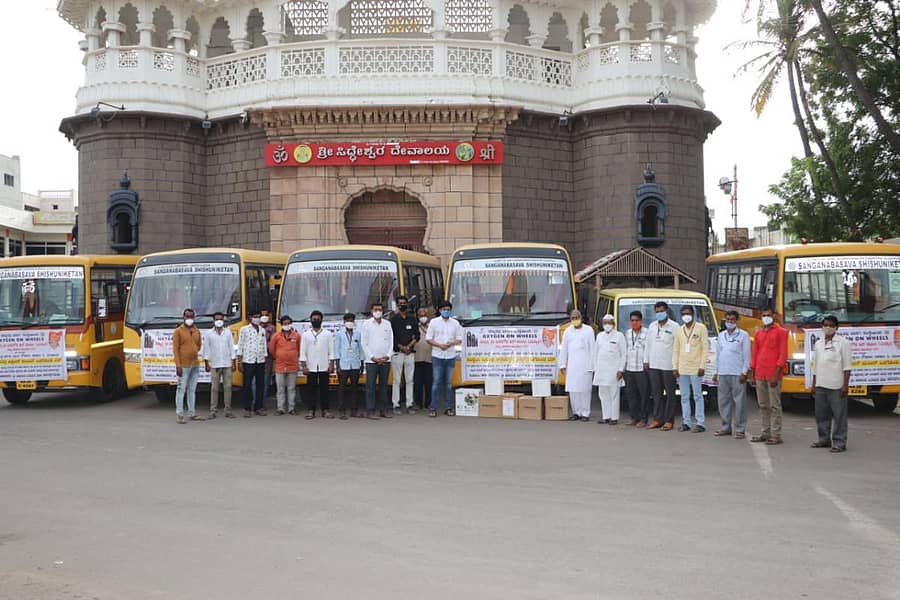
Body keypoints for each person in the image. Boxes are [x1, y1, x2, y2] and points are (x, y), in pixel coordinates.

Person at [810, 316, 853, 453]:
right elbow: (816, 366)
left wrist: (845, 385)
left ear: (836, 327)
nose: (827, 327)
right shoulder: (819, 343)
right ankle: (824, 439)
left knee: (839, 415)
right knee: (821, 415)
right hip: (821, 384)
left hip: (836, 385)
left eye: (831, 325)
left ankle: (839, 442)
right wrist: (814, 384)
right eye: (825, 325)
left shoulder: (843, 343)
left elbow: (847, 366)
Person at [749, 306, 788, 444]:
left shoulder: (781, 332)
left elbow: (783, 355)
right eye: (764, 315)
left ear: (774, 316)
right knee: (763, 405)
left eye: (768, 315)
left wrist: (776, 374)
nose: (766, 317)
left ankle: (776, 435)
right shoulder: (759, 333)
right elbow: (755, 354)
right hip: (760, 373)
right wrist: (753, 374)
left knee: (774, 406)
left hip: (773, 374)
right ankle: (765, 432)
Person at [713, 311, 751, 439]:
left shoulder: (743, 335)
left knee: (739, 402)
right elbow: (718, 355)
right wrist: (716, 371)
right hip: (723, 372)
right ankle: (725, 427)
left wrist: (744, 372)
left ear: (737, 320)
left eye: (732, 320)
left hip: (737, 373)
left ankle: (740, 429)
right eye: (728, 319)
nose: (730, 322)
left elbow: (747, 356)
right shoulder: (722, 335)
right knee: (723, 402)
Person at [672, 305, 710, 433]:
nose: (685, 316)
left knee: (698, 396)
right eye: (683, 314)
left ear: (693, 314)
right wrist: (675, 367)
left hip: (696, 368)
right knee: (684, 396)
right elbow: (676, 349)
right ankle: (686, 422)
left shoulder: (701, 328)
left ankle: (700, 423)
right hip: (682, 368)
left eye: (688, 313)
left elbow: (705, 348)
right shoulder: (679, 330)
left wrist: (702, 366)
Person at [427, 300, 463, 417]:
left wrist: (451, 343)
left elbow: (459, 338)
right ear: (439, 310)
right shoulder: (434, 322)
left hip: (451, 355)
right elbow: (428, 339)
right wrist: (440, 345)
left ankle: (449, 408)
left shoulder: (455, 323)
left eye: (448, 309)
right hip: (437, 355)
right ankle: (433, 408)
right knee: (436, 383)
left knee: (448, 384)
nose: (446, 311)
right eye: (444, 309)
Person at [645, 301, 678, 430]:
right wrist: (646, 360)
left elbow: (677, 347)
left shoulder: (675, 327)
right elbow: (648, 345)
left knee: (670, 394)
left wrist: (676, 366)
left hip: (669, 366)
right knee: (656, 394)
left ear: (667, 311)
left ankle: (669, 421)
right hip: (654, 365)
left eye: (661, 311)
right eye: (657, 312)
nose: (659, 314)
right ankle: (658, 419)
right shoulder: (652, 326)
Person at [558, 309, 595, 421]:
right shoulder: (568, 331)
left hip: (585, 365)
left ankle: (585, 413)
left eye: (576, 317)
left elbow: (592, 349)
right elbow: (564, 349)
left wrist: (593, 366)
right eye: (573, 318)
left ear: (581, 318)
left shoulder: (589, 330)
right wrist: (562, 364)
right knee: (573, 390)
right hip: (572, 365)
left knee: (584, 390)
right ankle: (576, 412)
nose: (575, 320)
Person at [300, 310, 336, 419]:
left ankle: (325, 410)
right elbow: (303, 351)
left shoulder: (327, 334)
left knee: (325, 389)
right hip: (311, 366)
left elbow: (332, 350)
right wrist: (304, 366)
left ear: (321, 320)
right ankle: (311, 410)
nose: (316, 320)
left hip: (324, 365)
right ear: (310, 320)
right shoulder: (306, 334)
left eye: (318, 319)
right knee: (311, 389)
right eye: (314, 319)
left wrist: (331, 364)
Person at [201, 311, 237, 419]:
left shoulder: (228, 332)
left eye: (220, 319)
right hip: (215, 364)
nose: (219, 321)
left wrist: (233, 362)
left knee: (228, 387)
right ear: (213, 321)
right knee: (214, 388)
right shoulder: (208, 333)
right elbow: (206, 349)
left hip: (227, 364)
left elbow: (232, 347)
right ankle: (213, 411)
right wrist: (206, 363)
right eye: (217, 319)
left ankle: (228, 410)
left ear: (223, 320)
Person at [361, 302, 394, 419]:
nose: (378, 311)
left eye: (380, 309)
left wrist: (387, 356)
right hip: (371, 362)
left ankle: (383, 410)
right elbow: (364, 343)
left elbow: (391, 342)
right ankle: (370, 411)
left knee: (383, 387)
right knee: (370, 387)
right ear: (371, 311)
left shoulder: (387, 324)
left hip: (385, 360)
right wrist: (372, 357)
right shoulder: (366, 324)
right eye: (375, 309)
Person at [593, 314, 627, 425]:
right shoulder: (599, 336)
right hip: (601, 370)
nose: (607, 325)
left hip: (614, 371)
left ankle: (614, 418)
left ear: (614, 324)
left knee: (614, 394)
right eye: (605, 322)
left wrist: (621, 369)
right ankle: (606, 416)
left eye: (610, 322)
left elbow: (624, 354)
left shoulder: (619, 336)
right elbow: (595, 353)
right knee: (602, 394)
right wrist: (595, 369)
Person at [172, 308, 204, 424]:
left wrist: (193, 350)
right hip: (183, 365)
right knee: (181, 389)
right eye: (187, 316)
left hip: (195, 364)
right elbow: (175, 349)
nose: (189, 319)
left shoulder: (196, 331)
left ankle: (192, 413)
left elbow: (199, 345)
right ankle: (180, 415)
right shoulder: (178, 331)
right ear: (183, 317)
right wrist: (178, 365)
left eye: (191, 317)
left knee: (192, 390)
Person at [390, 295, 419, 414]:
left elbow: (417, 335)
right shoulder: (393, 320)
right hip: (398, 353)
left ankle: (409, 404)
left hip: (410, 353)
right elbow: (392, 337)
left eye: (404, 303)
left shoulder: (412, 319)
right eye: (400, 303)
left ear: (407, 305)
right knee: (397, 380)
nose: (402, 305)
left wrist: (409, 347)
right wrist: (402, 347)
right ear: (397, 305)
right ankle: (396, 404)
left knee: (410, 380)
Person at [237, 310, 268, 417]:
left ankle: (258, 407)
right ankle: (247, 408)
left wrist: (265, 360)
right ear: (250, 318)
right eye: (255, 316)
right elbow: (240, 345)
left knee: (260, 385)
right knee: (247, 385)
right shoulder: (244, 330)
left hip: (260, 361)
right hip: (248, 360)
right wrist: (239, 361)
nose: (257, 318)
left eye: (258, 317)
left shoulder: (262, 330)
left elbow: (264, 346)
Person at [268, 315, 301, 415]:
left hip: (292, 365)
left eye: (288, 323)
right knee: (280, 388)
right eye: (285, 324)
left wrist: (293, 355)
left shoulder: (297, 336)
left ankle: (291, 408)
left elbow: (299, 349)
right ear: (281, 325)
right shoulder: (276, 336)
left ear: (291, 324)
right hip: (280, 365)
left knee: (291, 388)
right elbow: (271, 350)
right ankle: (280, 408)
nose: (287, 325)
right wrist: (279, 356)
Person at [623, 310, 651, 427]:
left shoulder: (647, 333)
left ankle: (644, 419)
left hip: (642, 369)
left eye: (636, 320)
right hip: (630, 368)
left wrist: (647, 363)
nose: (634, 322)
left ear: (641, 321)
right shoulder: (627, 333)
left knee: (644, 395)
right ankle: (634, 417)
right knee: (631, 395)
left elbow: (649, 349)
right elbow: (625, 351)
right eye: (632, 320)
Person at [334, 312, 364, 419]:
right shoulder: (339, 334)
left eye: (351, 320)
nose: (349, 322)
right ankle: (341, 410)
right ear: (344, 322)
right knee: (342, 388)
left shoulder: (358, 334)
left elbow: (360, 349)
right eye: (347, 321)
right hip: (343, 365)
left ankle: (354, 410)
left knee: (354, 388)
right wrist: (337, 366)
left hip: (355, 364)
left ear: (354, 322)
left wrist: (362, 364)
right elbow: (336, 350)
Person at [413, 308, 433, 411]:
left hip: (429, 359)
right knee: (417, 382)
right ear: (417, 316)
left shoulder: (432, 326)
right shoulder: (414, 326)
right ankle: (418, 403)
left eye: (425, 314)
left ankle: (428, 403)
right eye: (420, 315)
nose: (423, 317)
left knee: (429, 382)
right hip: (417, 358)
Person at [259, 308, 276, 398]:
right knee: (256, 381)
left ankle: (263, 400)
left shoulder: (272, 328)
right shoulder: (256, 327)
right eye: (262, 315)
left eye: (266, 315)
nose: (264, 317)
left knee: (266, 380)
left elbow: (272, 341)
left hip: (267, 358)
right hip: (256, 358)